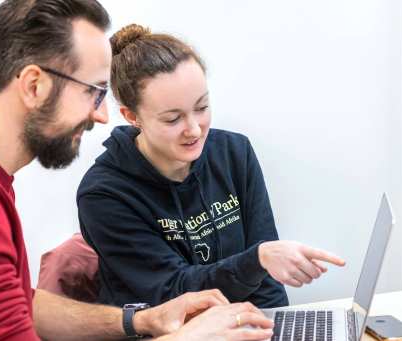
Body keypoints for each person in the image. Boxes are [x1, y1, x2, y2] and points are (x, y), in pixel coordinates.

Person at [0, 1, 274, 340]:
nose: (103, 116)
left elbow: (19, 303)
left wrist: (142, 322)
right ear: (34, 86)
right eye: (93, 92)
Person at [77, 24, 346, 308]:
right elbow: (174, 290)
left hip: (240, 327)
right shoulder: (104, 194)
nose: (194, 129)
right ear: (132, 116)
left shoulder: (234, 153)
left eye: (202, 107)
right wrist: (256, 260)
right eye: (172, 119)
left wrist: (276, 325)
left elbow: (268, 279)